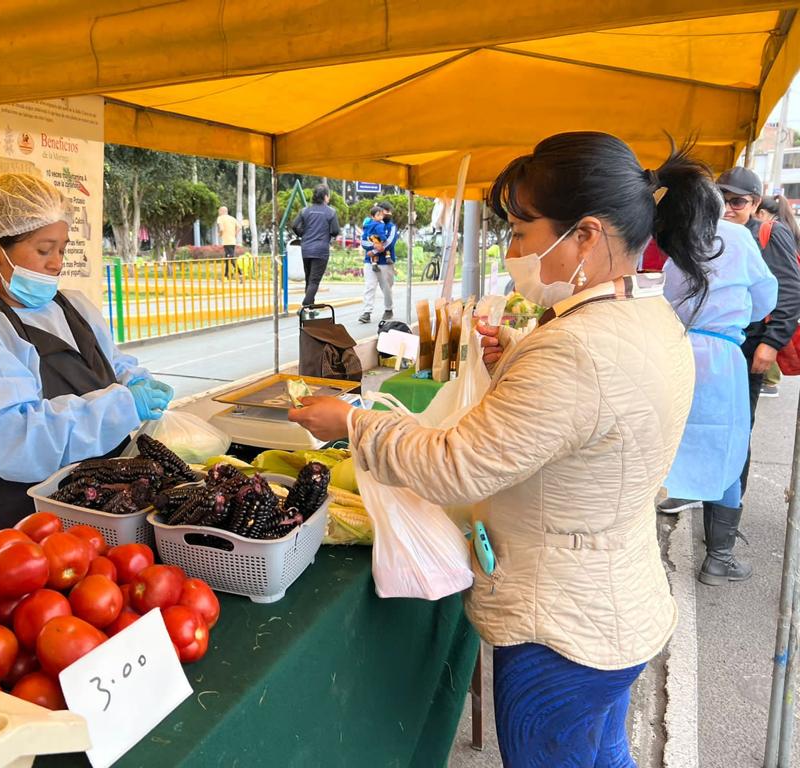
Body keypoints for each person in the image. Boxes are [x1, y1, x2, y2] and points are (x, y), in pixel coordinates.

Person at [289, 132, 718, 766]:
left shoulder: (574, 349)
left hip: (561, 634)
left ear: (585, 236)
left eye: (521, 231)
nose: (512, 250)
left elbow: (454, 466)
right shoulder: (647, 318)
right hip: (617, 606)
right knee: (602, 755)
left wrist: (353, 423)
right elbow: (595, 415)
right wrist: (517, 358)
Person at [0, 173, 173, 570]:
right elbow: (12, 440)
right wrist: (120, 407)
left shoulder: (72, 305)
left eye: (62, 248)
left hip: (85, 508)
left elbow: (111, 364)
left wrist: (134, 381)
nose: (57, 262)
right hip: (4, 525)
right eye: (44, 249)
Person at [663, 217, 776, 585]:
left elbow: (663, 294)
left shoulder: (676, 237)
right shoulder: (739, 236)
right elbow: (764, 298)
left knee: (668, 441)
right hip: (723, 354)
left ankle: (648, 555)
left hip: (678, 350)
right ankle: (718, 558)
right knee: (729, 448)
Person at [717, 167, 800, 497]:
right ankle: (704, 490)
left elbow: (791, 290)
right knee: (709, 425)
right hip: (713, 349)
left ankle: (728, 509)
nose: (727, 209)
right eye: (720, 200)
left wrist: (770, 343)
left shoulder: (767, 233)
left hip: (749, 347)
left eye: (736, 201)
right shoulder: (710, 233)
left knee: (736, 429)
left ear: (753, 204)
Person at [755, 194, 800, 397]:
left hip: (776, 306)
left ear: (760, 210)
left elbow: (789, 284)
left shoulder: (774, 230)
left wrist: (772, 342)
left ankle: (771, 381)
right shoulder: (787, 227)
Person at [291, 184, 340, 307]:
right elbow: (335, 231)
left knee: (309, 279)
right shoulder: (331, 212)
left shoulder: (305, 210)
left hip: (306, 248)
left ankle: (310, 308)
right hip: (321, 250)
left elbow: (294, 225)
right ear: (325, 197)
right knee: (314, 280)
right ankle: (306, 304)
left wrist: (302, 234)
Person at [358, 204, 396, 323]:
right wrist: (373, 246)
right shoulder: (369, 225)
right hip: (370, 261)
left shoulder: (391, 227)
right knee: (369, 286)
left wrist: (374, 250)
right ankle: (367, 312)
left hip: (386, 262)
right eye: (380, 212)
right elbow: (363, 241)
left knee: (386, 287)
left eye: (385, 212)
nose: (383, 214)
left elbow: (389, 242)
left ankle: (388, 309)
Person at [216, 206, 240, 278]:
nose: (218, 213)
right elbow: (239, 227)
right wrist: (235, 234)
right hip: (232, 241)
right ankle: (226, 275)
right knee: (227, 258)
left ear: (222, 211)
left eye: (219, 211)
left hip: (226, 241)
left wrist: (219, 234)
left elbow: (221, 229)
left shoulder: (220, 218)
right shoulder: (232, 218)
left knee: (231, 258)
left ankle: (240, 273)